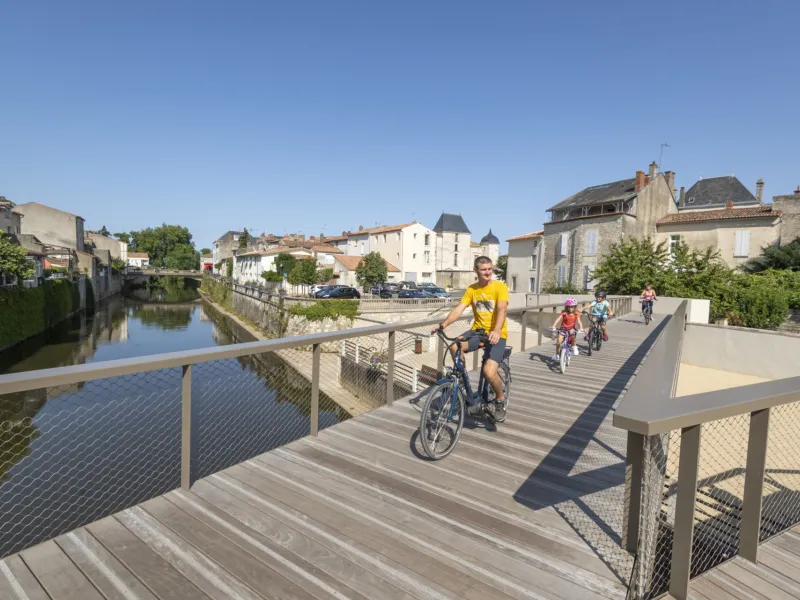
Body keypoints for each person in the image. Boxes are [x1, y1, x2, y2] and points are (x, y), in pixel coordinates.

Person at [433, 256, 509, 421]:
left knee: (489, 372)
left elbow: (502, 309)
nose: (488, 272)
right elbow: (459, 309)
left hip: (497, 334)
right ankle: (461, 380)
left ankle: (499, 399)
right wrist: (443, 325)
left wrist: (496, 330)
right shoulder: (472, 290)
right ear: (476, 271)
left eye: (490, 269)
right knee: (454, 346)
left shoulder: (500, 287)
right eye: (484, 270)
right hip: (477, 331)